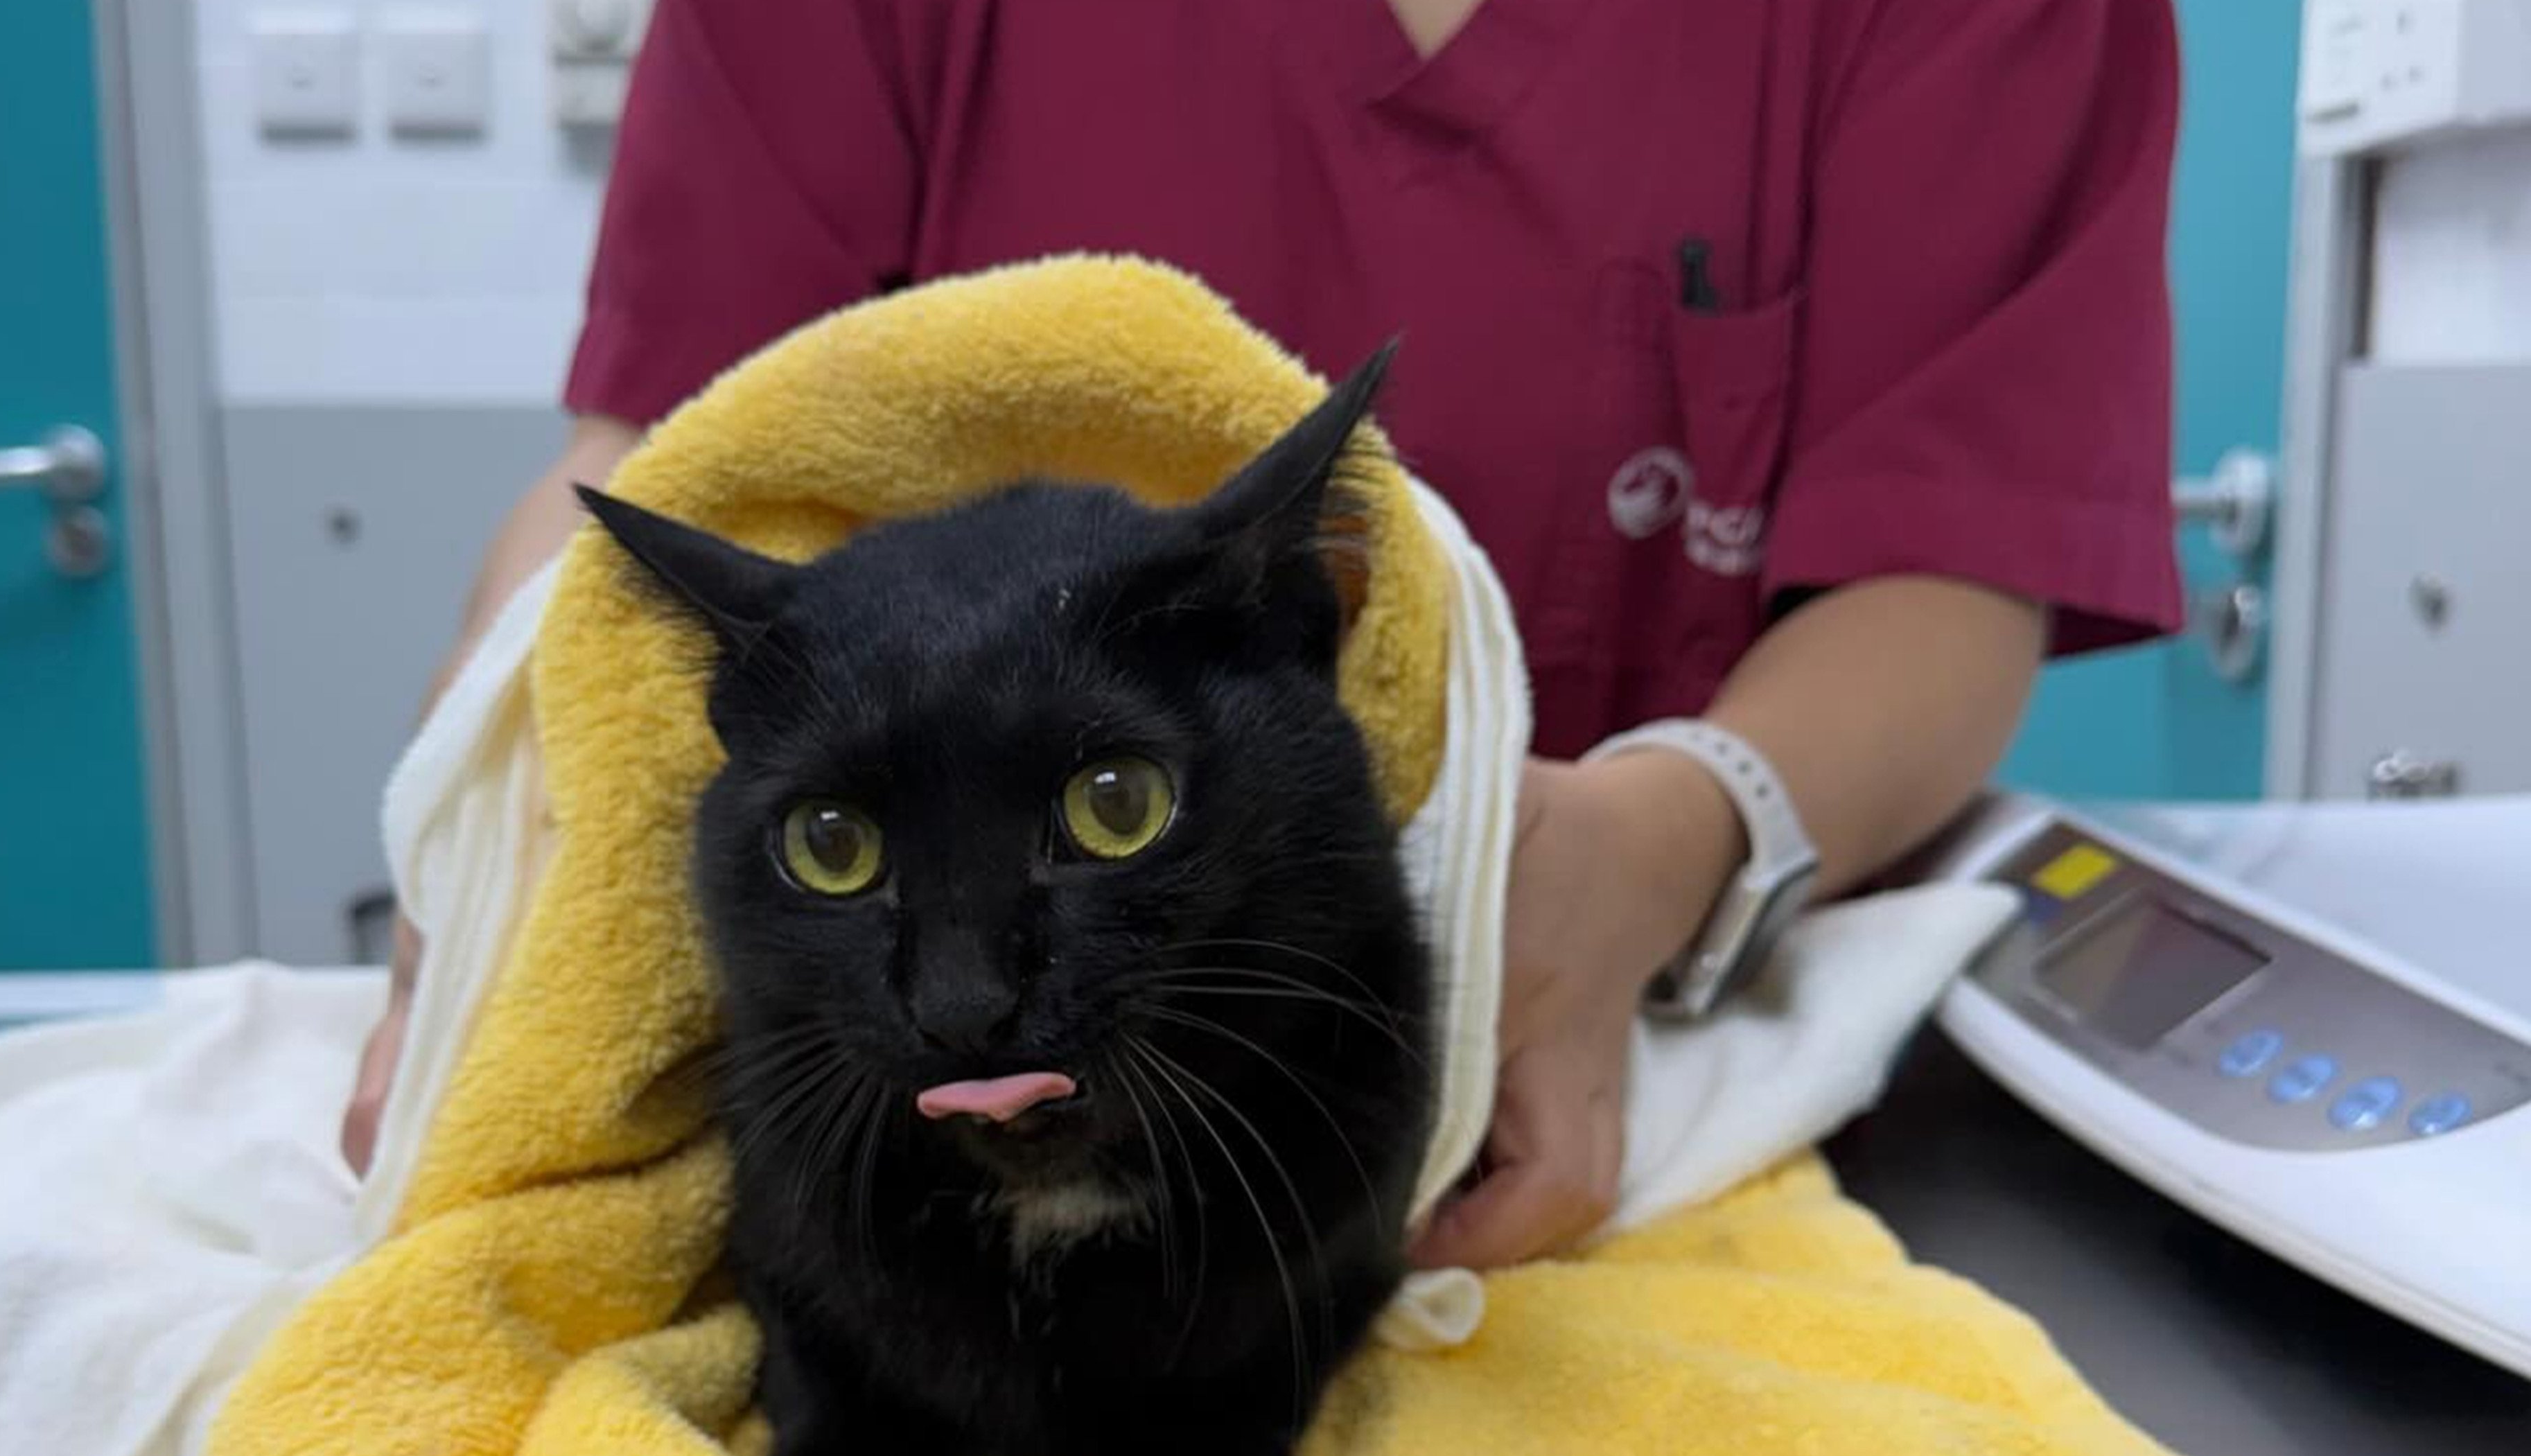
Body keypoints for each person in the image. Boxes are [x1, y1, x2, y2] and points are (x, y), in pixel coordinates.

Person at [342, 0, 2184, 1272]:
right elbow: (667, 466)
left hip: (1615, 1053)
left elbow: (1956, 563)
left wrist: (1652, 852)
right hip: (913, 1107)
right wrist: (491, 818)